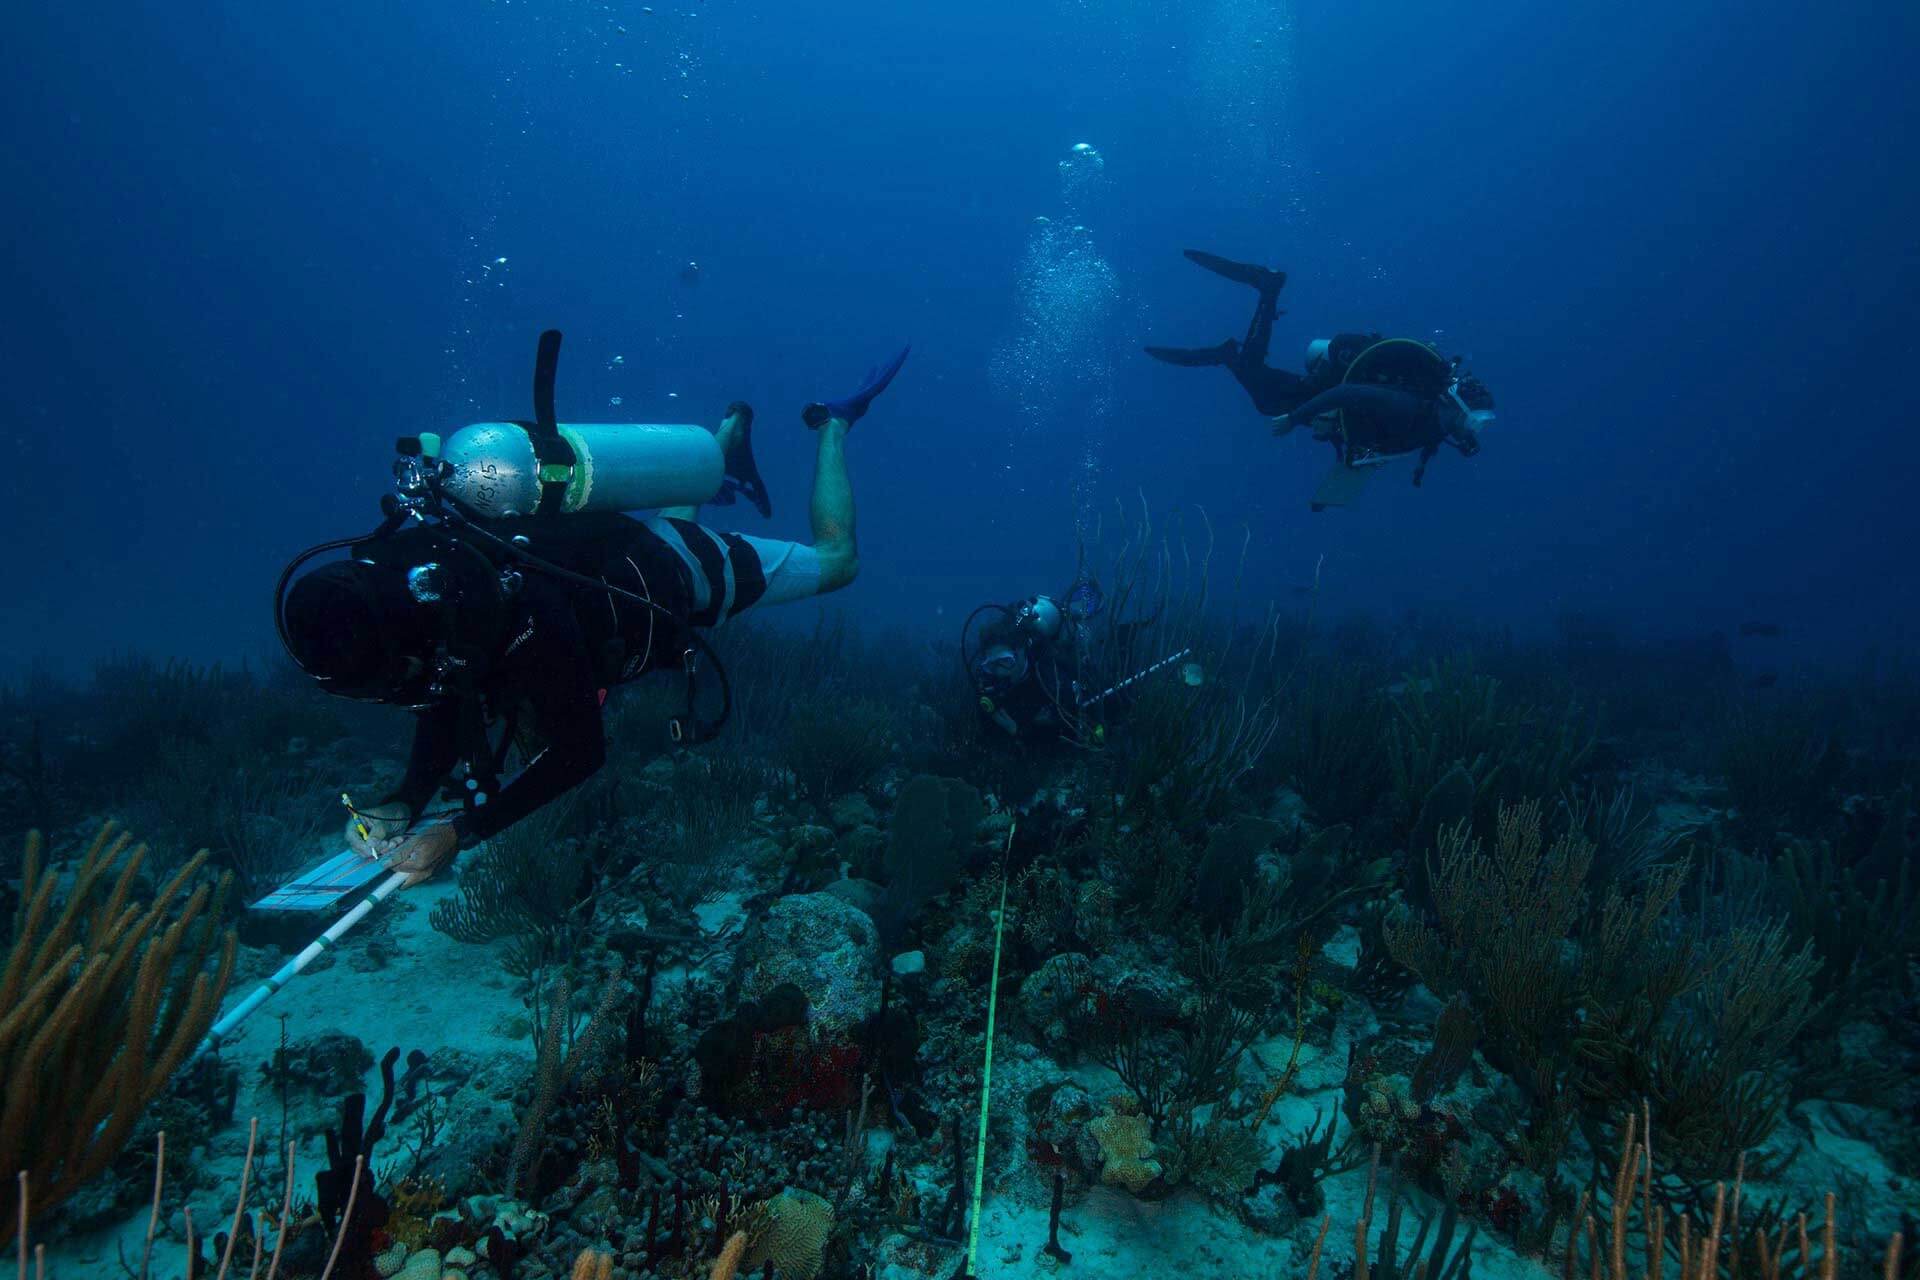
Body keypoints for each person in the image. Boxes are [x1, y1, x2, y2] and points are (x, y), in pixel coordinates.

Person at [279, 339, 909, 888]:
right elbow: (451, 692)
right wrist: (404, 800)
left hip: (682, 574)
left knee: (838, 563)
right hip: (612, 558)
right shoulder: (436, 590)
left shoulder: (517, 610)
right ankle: (720, 446)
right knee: (662, 536)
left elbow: (580, 752)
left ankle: (835, 425)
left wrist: (461, 832)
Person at [1146, 249, 1497, 501]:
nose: (1475, 429)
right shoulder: (1408, 405)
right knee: (1267, 400)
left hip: (1341, 399)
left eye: (1481, 422)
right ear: (1453, 405)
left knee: (1264, 395)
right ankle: (1264, 295)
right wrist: (1296, 418)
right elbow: (1349, 395)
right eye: (1475, 420)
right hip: (1330, 387)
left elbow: (1389, 433)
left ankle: (1231, 349)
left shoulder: (1439, 422)